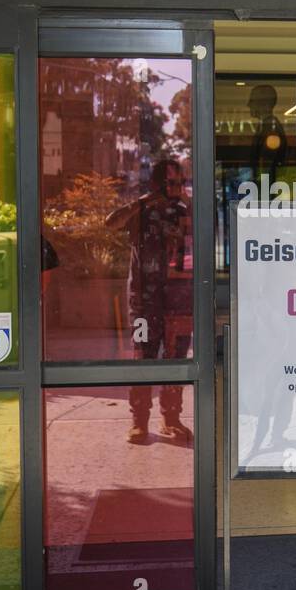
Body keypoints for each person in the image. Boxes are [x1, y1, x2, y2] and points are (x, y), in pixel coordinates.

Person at [105, 157, 193, 444]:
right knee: (143, 357)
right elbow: (110, 224)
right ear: (156, 183)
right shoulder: (142, 210)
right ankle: (139, 421)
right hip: (145, 302)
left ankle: (171, 419)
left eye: (181, 182)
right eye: (171, 183)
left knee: (176, 359)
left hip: (179, 301)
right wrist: (144, 201)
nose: (177, 188)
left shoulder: (187, 209)